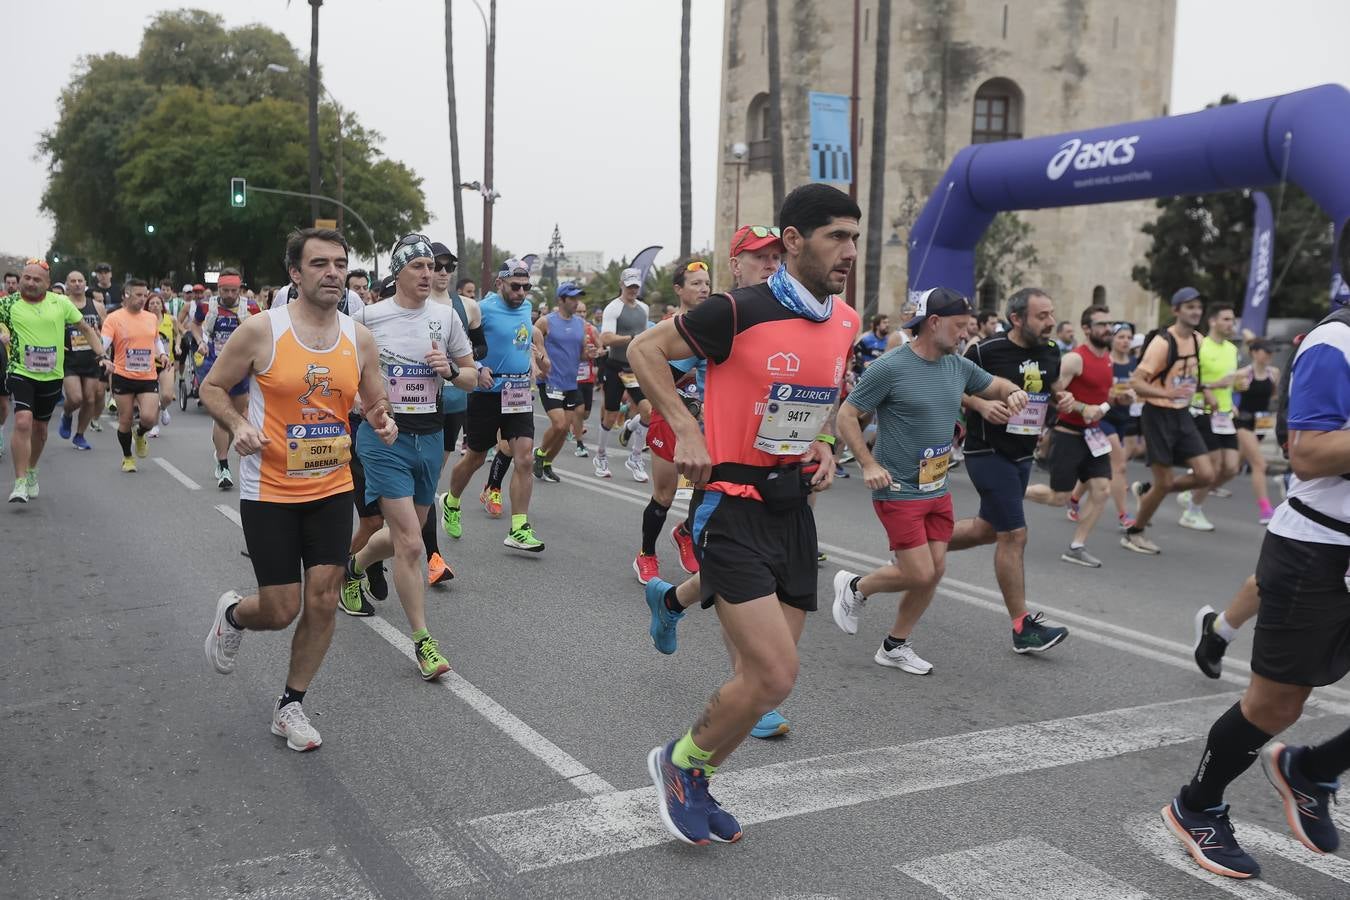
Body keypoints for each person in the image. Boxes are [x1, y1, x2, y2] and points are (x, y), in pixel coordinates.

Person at [634, 184, 860, 845]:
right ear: (794, 241)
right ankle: (678, 763)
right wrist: (685, 427)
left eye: (853, 236)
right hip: (729, 506)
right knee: (774, 671)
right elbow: (646, 351)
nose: (849, 250)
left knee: (766, 685)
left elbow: (812, 399)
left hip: (793, 509)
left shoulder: (844, 321)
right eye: (835, 237)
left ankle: (696, 776)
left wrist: (818, 445)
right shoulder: (738, 309)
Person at [1160, 302, 1350, 880]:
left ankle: (1313, 769)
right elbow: (1309, 453)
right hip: (1317, 551)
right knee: (1275, 704)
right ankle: (1197, 806)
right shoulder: (1336, 341)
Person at [202, 227, 397, 752]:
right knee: (281, 607)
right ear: (295, 273)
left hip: (331, 485)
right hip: (269, 488)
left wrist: (383, 421)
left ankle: (291, 704)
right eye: (319, 264)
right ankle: (234, 614)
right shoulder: (262, 330)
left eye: (339, 263)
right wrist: (239, 425)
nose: (332, 272)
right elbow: (212, 386)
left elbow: (374, 401)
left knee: (325, 598)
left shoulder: (359, 339)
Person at [640, 223, 795, 741]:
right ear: (737, 264)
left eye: (777, 256)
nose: (770, 265)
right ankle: (749, 687)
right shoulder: (724, 315)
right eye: (759, 257)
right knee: (741, 577)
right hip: (726, 472)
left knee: (745, 571)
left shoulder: (798, 314)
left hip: (779, 473)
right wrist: (682, 423)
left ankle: (668, 602)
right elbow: (652, 356)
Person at [831, 287, 1037, 672]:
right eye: (959, 327)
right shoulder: (890, 367)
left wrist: (1013, 393)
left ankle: (895, 645)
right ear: (934, 323)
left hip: (936, 487)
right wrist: (867, 463)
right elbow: (847, 415)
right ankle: (855, 587)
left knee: (935, 569)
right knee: (919, 571)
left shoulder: (957, 366)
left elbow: (994, 384)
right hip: (898, 487)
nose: (965, 334)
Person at [338, 236, 478, 675]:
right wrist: (364, 404)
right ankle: (423, 643)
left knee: (406, 535)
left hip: (430, 437)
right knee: (412, 546)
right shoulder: (368, 317)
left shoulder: (446, 317)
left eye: (431, 266)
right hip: (383, 440)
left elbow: (473, 376)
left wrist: (452, 371)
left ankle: (354, 567)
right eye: (417, 265)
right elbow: (345, 375)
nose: (427, 273)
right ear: (398, 271)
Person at [932, 287, 1073, 646]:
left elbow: (1052, 386)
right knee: (1014, 534)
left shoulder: (1052, 350)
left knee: (987, 530)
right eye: (1042, 316)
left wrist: (1064, 397)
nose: (1050, 322)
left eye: (1051, 314)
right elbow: (951, 383)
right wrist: (979, 406)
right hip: (987, 450)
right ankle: (1022, 627)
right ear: (1016, 319)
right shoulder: (985, 350)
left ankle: (919, 544)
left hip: (1024, 451)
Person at [439, 258, 545, 552]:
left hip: (519, 392)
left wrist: (532, 363)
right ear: (499, 284)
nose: (521, 292)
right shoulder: (481, 308)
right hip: (486, 393)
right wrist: (480, 366)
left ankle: (519, 527)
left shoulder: (526, 308)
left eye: (526, 287)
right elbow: (460, 344)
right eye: (515, 286)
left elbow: (522, 340)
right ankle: (452, 500)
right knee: (475, 457)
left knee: (524, 458)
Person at [1122, 287, 1216, 554]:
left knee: (1206, 474)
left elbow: (1190, 375)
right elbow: (1137, 382)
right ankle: (1134, 532)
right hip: (1157, 414)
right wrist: (1166, 392)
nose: (1196, 311)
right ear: (1176, 311)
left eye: (1198, 306)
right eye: (1189, 307)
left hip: (1182, 413)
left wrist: (1206, 391)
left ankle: (1148, 493)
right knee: (1165, 482)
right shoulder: (1163, 343)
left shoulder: (1198, 340)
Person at [632, 262, 709, 584]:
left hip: (706, 419)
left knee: (705, 486)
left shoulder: (717, 325)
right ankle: (646, 555)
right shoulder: (669, 327)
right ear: (679, 290)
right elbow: (647, 370)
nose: (704, 289)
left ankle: (686, 533)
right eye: (695, 283)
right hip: (670, 416)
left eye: (707, 283)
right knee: (664, 494)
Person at [1, 260, 103, 501]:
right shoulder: (7, 303)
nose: (30, 282)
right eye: (27, 277)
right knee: (23, 421)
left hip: (51, 375)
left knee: (40, 429)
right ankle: (20, 481)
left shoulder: (60, 303)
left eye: (37, 279)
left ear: (47, 283)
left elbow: (86, 329)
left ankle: (33, 469)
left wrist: (102, 355)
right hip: (20, 370)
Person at [1025, 304, 1116, 567]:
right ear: (1086, 329)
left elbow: (1099, 394)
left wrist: (1118, 398)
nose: (1107, 329)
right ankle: (1014, 490)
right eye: (1101, 324)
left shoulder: (1107, 357)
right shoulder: (1075, 358)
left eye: (1109, 324)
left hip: (1094, 437)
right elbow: (1053, 396)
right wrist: (1082, 408)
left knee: (1102, 490)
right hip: (1069, 435)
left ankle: (1077, 546)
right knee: (1059, 497)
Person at [420, 242, 474, 584]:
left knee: (429, 480)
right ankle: (432, 557)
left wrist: (459, 366)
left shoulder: (462, 307)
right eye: (435, 266)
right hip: (414, 408)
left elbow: (477, 347)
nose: (441, 272)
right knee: (421, 485)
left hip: (453, 402)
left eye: (447, 266)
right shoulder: (414, 305)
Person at [1176, 303, 1241, 531]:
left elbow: (1228, 383)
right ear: (1212, 321)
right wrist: (1211, 387)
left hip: (1224, 415)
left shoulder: (1232, 350)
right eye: (1225, 319)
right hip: (1202, 411)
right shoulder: (1201, 347)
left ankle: (1191, 488)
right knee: (1213, 466)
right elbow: (1188, 382)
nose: (1230, 324)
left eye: (1232, 320)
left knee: (1232, 467)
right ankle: (1192, 512)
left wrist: (1231, 402)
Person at [100, 279, 168, 473]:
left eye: (145, 295)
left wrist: (162, 354)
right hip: (123, 375)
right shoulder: (114, 318)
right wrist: (103, 358)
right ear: (126, 295)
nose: (143, 299)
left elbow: (155, 340)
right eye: (138, 295)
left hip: (147, 375)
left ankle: (140, 434)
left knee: (148, 418)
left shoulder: (150, 317)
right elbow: (103, 342)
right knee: (125, 420)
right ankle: (127, 457)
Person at [194, 270, 252, 488]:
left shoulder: (250, 307)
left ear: (239, 290)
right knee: (221, 417)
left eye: (233, 290)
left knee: (234, 417)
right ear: (219, 289)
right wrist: (200, 340)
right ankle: (223, 464)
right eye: (225, 290)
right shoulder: (207, 306)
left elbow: (260, 331)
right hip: (215, 366)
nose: (229, 294)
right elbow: (195, 324)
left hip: (241, 369)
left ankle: (221, 453)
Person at [532, 281, 589, 483]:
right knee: (559, 424)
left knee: (565, 429)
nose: (576, 302)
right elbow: (530, 344)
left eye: (577, 298)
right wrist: (536, 365)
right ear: (561, 299)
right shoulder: (545, 322)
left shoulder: (581, 324)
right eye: (572, 298)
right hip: (550, 380)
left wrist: (588, 354)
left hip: (570, 383)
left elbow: (581, 354)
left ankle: (547, 463)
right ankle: (539, 454)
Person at [596, 268, 651, 482]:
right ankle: (600, 456)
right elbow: (606, 338)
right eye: (629, 286)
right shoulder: (614, 308)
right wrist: (632, 338)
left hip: (634, 368)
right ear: (621, 285)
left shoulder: (644, 308)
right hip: (615, 367)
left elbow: (645, 335)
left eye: (636, 286)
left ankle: (635, 458)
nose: (633, 290)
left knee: (647, 411)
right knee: (610, 416)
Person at [1234, 339, 1281, 523]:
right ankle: (1265, 510)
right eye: (1266, 351)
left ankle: (1194, 490)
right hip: (1243, 421)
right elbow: (1224, 392)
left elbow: (1275, 395)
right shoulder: (1243, 374)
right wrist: (1232, 404)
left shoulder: (1274, 373)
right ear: (1254, 352)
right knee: (1259, 464)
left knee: (1232, 467)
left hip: (1262, 423)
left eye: (1271, 352)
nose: (1269, 355)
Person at [58, 271, 105, 451]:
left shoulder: (97, 306)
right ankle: (67, 413)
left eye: (80, 281)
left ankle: (79, 435)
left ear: (85, 283)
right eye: (73, 281)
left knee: (89, 400)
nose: (77, 284)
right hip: (70, 358)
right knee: (76, 398)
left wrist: (102, 340)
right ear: (67, 284)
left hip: (91, 359)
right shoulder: (61, 305)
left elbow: (106, 329)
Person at [570, 299, 601, 457]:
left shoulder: (591, 329)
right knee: (579, 409)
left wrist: (597, 352)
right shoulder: (568, 330)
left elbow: (602, 348)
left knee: (586, 413)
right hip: (572, 378)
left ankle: (572, 423)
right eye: (578, 312)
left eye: (583, 311)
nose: (581, 314)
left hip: (587, 377)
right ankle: (579, 444)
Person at [146, 293, 177, 436]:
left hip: (167, 362)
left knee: (166, 396)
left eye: (158, 303)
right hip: (148, 364)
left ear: (162, 305)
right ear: (147, 306)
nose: (155, 306)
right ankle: (154, 426)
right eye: (151, 303)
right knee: (152, 397)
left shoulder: (171, 319)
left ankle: (163, 407)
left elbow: (180, 333)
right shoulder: (142, 321)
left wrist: (177, 345)